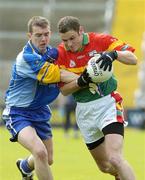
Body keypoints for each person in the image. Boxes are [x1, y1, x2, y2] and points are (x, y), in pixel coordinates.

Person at [56, 16, 137, 180]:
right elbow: (64, 91)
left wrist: (114, 54)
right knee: (106, 166)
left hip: (108, 104)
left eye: (72, 38)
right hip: (84, 111)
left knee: (115, 158)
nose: (69, 44)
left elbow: (133, 59)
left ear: (81, 30)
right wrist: (81, 81)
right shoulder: (60, 53)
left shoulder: (100, 40)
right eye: (65, 40)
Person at [2, 16, 76, 180]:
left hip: (40, 111)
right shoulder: (26, 58)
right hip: (18, 112)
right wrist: (86, 77)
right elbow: (59, 75)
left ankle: (24, 166)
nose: (43, 39)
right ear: (30, 36)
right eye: (38, 35)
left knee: (47, 158)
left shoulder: (52, 53)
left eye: (46, 34)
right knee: (39, 151)